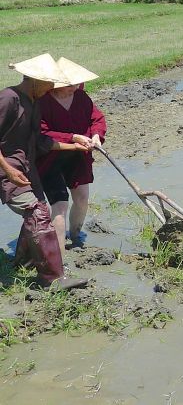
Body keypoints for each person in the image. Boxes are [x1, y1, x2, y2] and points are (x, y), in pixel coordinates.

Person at [1, 54, 88, 290]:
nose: (52, 89)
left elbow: (40, 140)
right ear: (36, 80)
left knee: (38, 212)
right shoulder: (9, 98)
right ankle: (52, 278)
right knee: (37, 215)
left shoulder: (34, 102)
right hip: (7, 169)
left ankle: (21, 262)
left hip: (26, 168)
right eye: (50, 83)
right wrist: (7, 170)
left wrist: (73, 145)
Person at [37, 58, 105, 251]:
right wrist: (73, 137)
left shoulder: (82, 97)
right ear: (55, 85)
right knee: (60, 205)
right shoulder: (41, 102)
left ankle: (75, 238)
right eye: (69, 85)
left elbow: (97, 119)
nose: (74, 87)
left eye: (76, 83)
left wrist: (96, 135)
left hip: (78, 157)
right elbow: (41, 133)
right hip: (50, 159)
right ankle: (57, 257)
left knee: (82, 198)